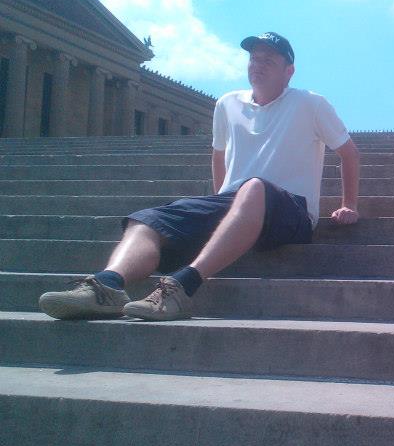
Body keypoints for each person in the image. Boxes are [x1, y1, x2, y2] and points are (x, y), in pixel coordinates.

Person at [39, 31, 360, 322]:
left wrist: (349, 205)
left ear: (289, 71)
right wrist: (225, 205)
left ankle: (182, 287)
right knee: (149, 219)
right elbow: (218, 153)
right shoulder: (227, 104)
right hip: (239, 202)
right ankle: (107, 286)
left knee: (253, 189)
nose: (257, 65)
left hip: (293, 213)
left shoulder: (310, 103)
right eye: (253, 58)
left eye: (269, 61)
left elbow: (348, 152)